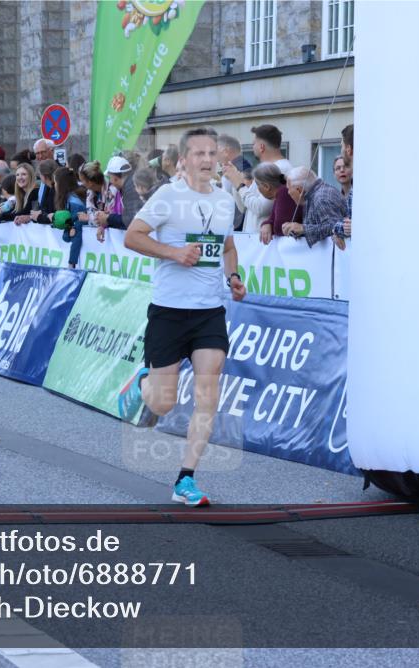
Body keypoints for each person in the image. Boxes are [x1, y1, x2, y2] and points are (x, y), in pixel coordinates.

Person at [119, 127, 246, 507]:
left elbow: (228, 246)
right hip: (170, 311)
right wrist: (175, 254)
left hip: (209, 311)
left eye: (213, 154)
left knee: (208, 391)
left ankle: (186, 479)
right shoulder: (168, 196)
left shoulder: (225, 200)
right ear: (185, 159)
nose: (207, 160)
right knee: (162, 405)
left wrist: (234, 277)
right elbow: (133, 236)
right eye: (199, 154)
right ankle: (142, 383)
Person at [224, 124, 292, 233]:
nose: (252, 147)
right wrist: (235, 180)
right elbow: (245, 208)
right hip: (254, 240)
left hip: (265, 243)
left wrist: (239, 185)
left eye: (253, 143)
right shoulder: (265, 168)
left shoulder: (280, 168)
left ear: (261, 147)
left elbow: (260, 208)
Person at [286, 166, 350, 249]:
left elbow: (334, 226)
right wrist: (298, 231)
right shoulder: (313, 195)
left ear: (299, 190)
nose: (288, 193)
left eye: (289, 189)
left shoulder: (321, 198)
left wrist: (303, 229)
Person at [251, 163, 303, 244]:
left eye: (257, 185)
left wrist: (269, 226)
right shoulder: (281, 191)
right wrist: (267, 223)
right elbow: (272, 218)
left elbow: (280, 228)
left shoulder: (284, 192)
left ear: (266, 186)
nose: (257, 189)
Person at [95, 156, 142, 232]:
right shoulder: (130, 186)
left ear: (115, 178)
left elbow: (131, 220)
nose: (110, 182)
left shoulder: (132, 189)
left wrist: (108, 218)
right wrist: (108, 219)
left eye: (109, 177)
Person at [216, 134, 252, 230]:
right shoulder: (235, 167)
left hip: (237, 227)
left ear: (226, 151)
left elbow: (246, 202)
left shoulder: (241, 169)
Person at [53, 167, 86, 268]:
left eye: (55, 182)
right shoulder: (69, 200)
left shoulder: (74, 203)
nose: (54, 185)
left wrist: (71, 262)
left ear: (60, 184)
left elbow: (77, 232)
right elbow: (69, 232)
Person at [31, 159, 57, 224]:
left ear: (44, 176)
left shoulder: (55, 190)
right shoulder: (51, 189)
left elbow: (53, 215)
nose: (39, 176)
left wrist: (38, 216)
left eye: (40, 174)